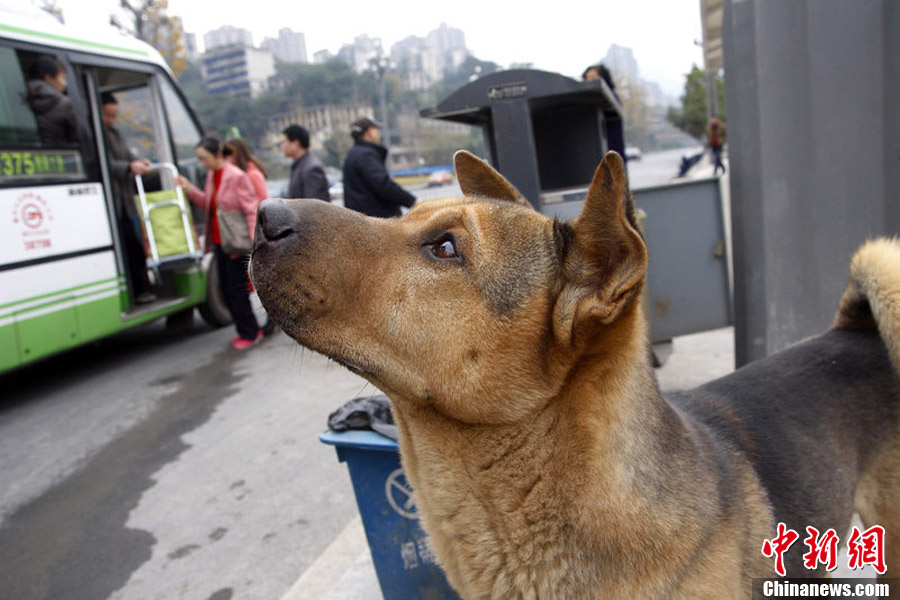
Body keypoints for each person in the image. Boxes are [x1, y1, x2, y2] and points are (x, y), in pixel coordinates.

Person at [175, 136, 262, 350]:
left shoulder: (236, 176)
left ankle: (251, 332)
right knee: (226, 288)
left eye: (204, 158)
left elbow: (251, 210)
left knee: (237, 290)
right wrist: (188, 188)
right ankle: (244, 330)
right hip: (219, 242)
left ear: (217, 155)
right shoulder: (212, 175)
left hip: (236, 242)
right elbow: (207, 202)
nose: (202, 163)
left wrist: (254, 242)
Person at [101, 92, 156, 304]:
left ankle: (143, 288)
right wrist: (128, 167)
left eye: (113, 115)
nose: (110, 120)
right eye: (107, 114)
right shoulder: (96, 135)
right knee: (127, 245)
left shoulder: (115, 134)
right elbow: (104, 164)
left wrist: (139, 163)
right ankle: (138, 290)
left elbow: (127, 158)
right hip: (113, 203)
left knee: (135, 245)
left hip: (126, 202)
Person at [342, 116, 416, 218]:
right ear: (370, 132)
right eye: (376, 129)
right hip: (377, 223)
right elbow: (383, 185)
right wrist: (413, 202)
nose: (378, 133)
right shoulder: (366, 155)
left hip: (361, 221)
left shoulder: (352, 154)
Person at [26, 55, 78, 145]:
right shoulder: (64, 103)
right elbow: (78, 137)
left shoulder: (17, 98)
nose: (65, 84)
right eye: (62, 78)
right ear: (48, 78)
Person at [281, 124, 330, 201]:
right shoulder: (300, 165)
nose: (282, 146)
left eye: (284, 142)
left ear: (295, 143)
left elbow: (314, 206)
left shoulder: (312, 169)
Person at [223, 138, 269, 203]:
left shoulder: (252, 174)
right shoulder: (236, 174)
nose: (226, 159)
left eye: (228, 155)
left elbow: (263, 200)